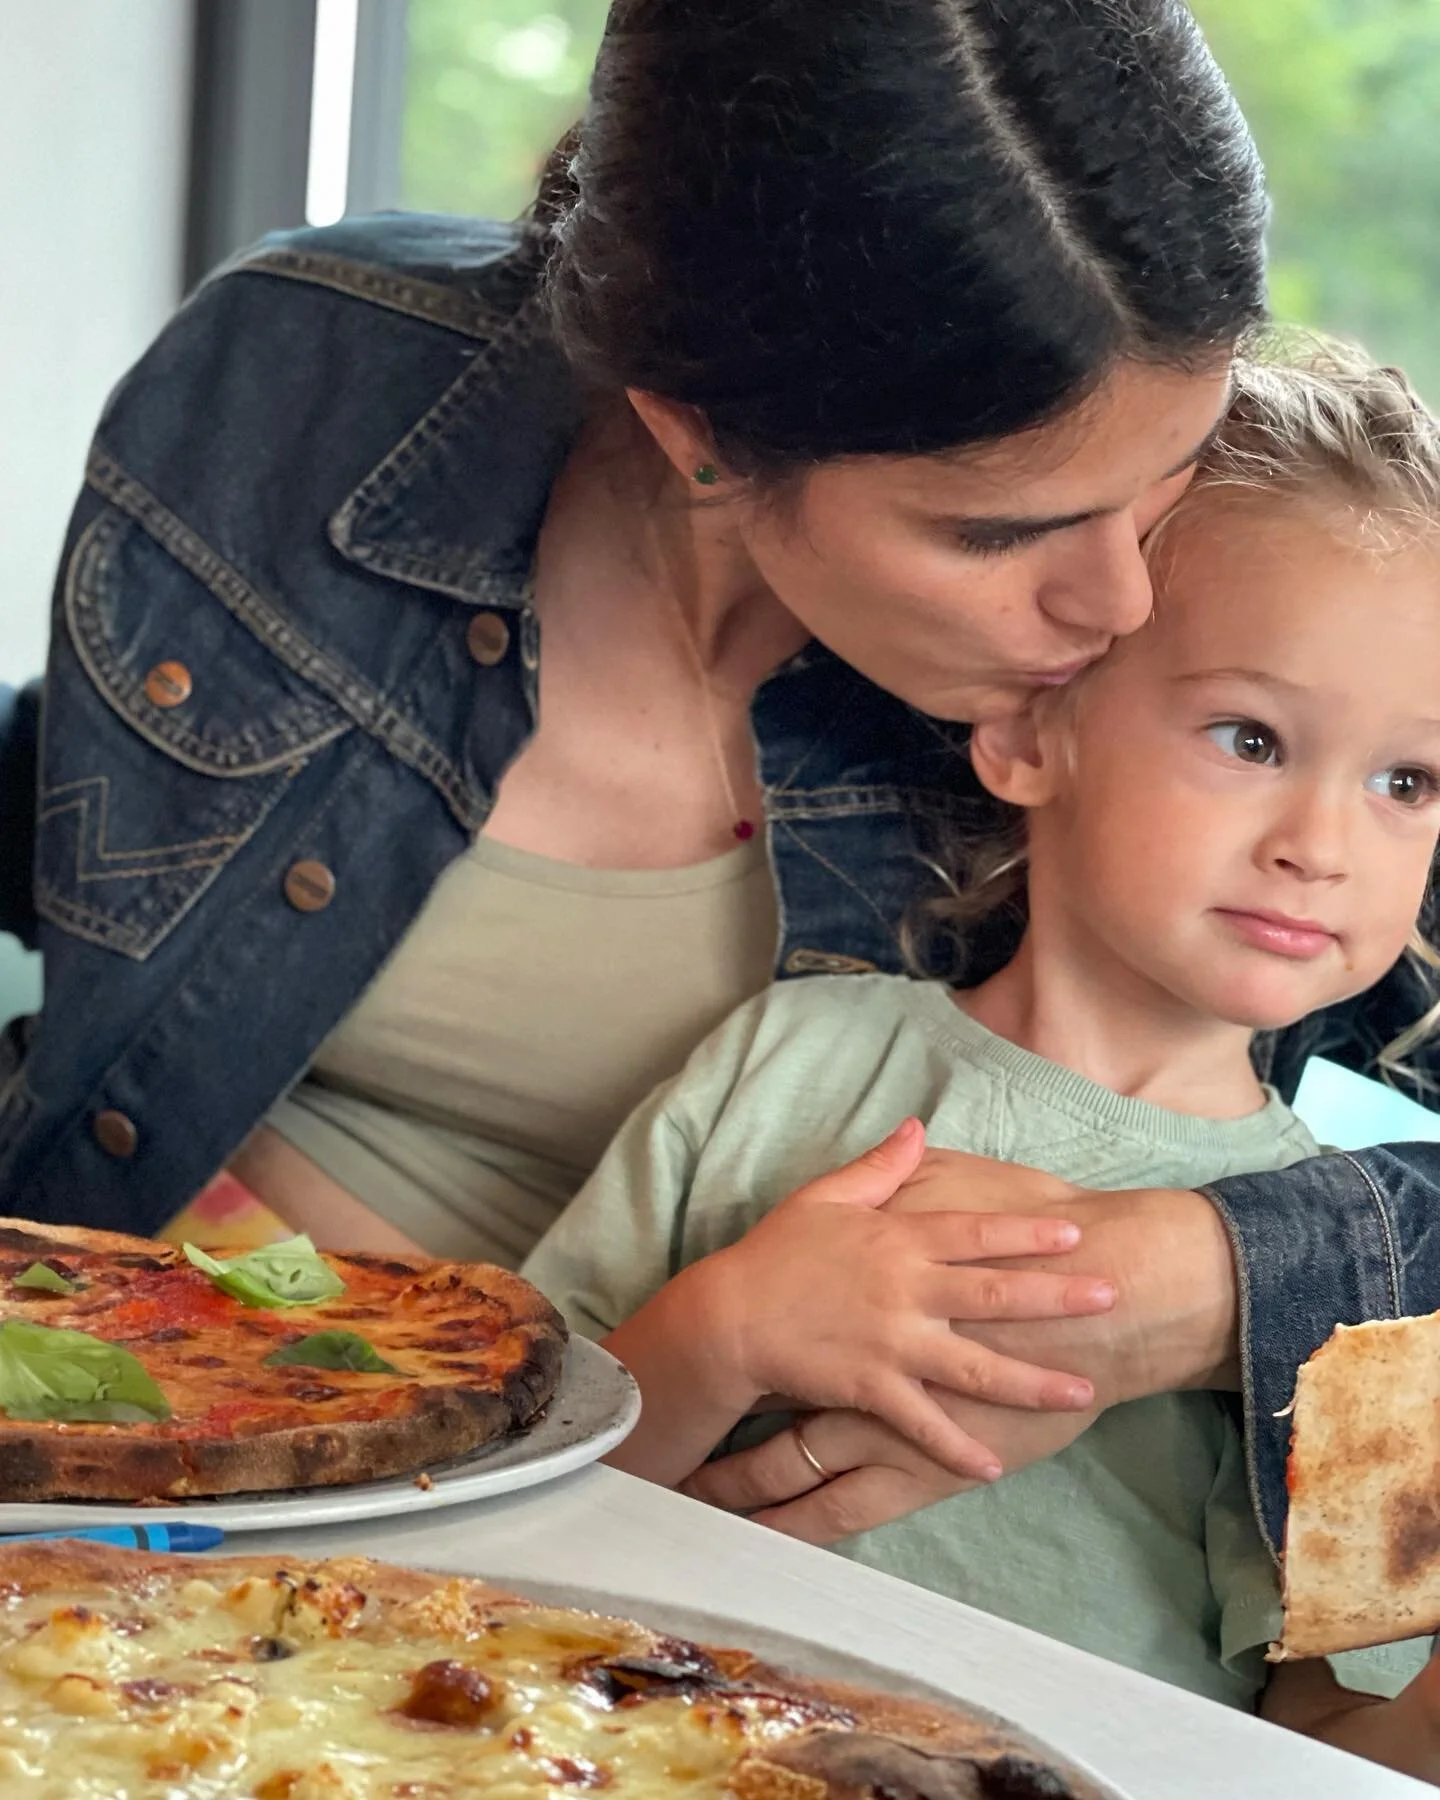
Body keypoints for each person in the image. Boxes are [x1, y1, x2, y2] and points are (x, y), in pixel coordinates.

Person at [0, 0, 1428, 1555]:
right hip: (148, 1423)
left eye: (1162, 487)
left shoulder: (1212, 628)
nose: (1124, 605)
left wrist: (1207, 1280)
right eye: (999, 533)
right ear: (698, 435)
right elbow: (97, 812)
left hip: (670, 1545)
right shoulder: (296, 386)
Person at [523, 350, 1440, 1775]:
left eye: (1407, 782)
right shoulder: (791, 1059)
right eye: (1251, 737)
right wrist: (723, 1334)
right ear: (1028, 726)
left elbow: (1329, 1733)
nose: (1321, 843)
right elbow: (506, 1482)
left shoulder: (1367, 1290)